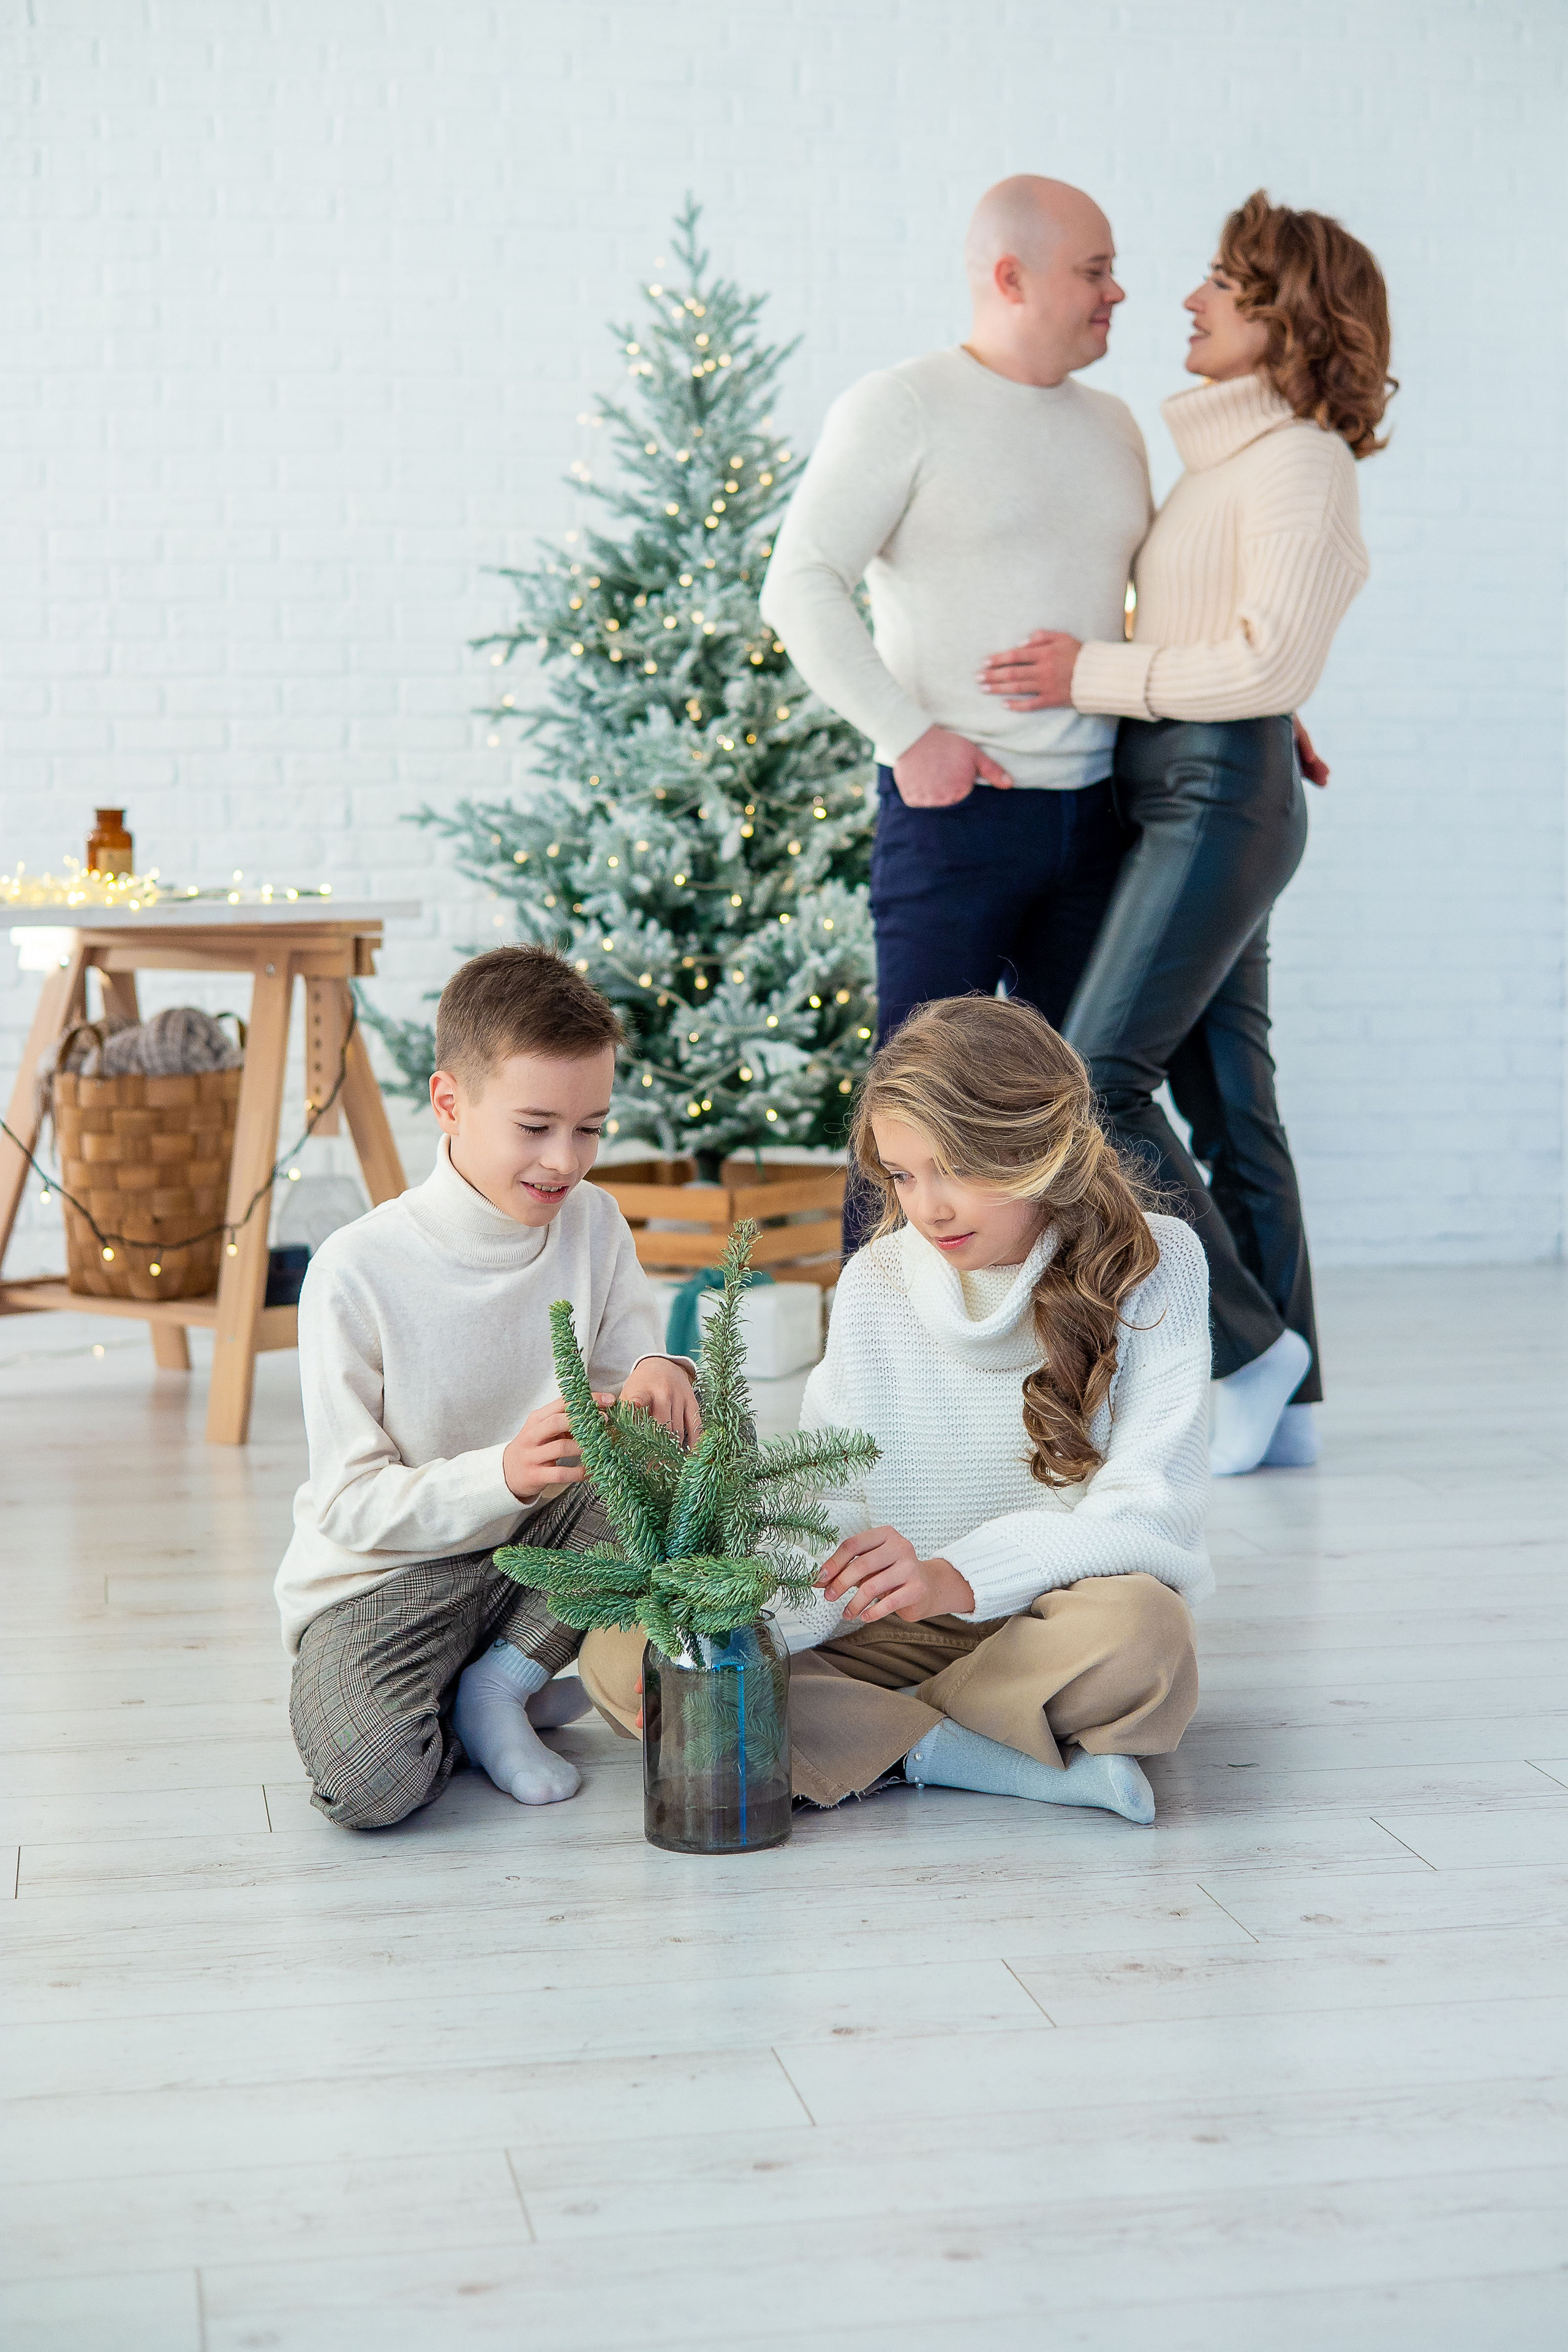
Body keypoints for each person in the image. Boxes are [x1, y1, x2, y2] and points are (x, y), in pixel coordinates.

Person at [979, 191, 1396, 1476]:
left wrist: (1090, 675)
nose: (1186, 300)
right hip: (1197, 783)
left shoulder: (1301, 464)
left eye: (1221, 282)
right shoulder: (1227, 465)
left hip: (1215, 794)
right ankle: (1293, 1403)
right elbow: (1242, 647)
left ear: (1284, 315)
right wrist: (1247, 715)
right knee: (1228, 1106)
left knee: (1091, 1086)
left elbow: (1265, 657)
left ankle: (1243, 1352)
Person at [580, 996, 1211, 1824]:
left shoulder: (1160, 1264)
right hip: (889, 1630)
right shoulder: (878, 1282)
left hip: (1046, 1621)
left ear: (1035, 1149)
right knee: (624, 1652)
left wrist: (955, 1578)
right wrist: (751, 1618)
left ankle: (860, 1739)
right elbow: (826, 1505)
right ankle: (979, 1755)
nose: (928, 1208)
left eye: (956, 1169)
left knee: (1147, 1639)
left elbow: (1150, 1516)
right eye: (905, 1175)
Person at [760, 175, 1153, 1245]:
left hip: (1102, 816)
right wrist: (909, 735)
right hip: (957, 818)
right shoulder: (904, 406)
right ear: (1010, 276)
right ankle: (873, 1392)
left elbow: (1153, 605)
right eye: (1096, 270)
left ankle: (1061, 1374)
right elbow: (798, 582)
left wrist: (1252, 708)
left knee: (1083, 1116)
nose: (1119, 291)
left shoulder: (1116, 425)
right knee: (911, 1104)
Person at [280, 946, 699, 1830]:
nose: (565, 1160)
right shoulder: (356, 1270)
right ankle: (464, 1700)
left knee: (666, 1445)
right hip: (386, 1578)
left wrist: (664, 1369)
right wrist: (499, 1475)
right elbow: (350, 1504)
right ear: (450, 1103)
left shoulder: (595, 1222)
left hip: (536, 1554)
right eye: (536, 1125)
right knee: (370, 1787)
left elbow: (630, 1376)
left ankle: (500, 1684)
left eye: (590, 1128)